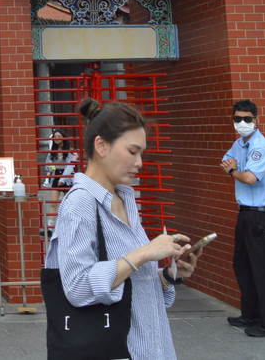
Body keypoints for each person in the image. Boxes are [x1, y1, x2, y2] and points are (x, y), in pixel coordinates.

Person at [48, 99, 198, 359]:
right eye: (132, 151)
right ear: (101, 146)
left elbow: (132, 285)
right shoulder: (80, 203)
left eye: (141, 153)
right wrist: (144, 253)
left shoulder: (124, 198)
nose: (139, 162)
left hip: (152, 347)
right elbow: (77, 287)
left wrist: (168, 276)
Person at [220, 99, 265, 338]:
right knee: (243, 265)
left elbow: (249, 178)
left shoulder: (260, 146)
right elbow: (226, 161)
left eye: (247, 119)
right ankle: (250, 314)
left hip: (261, 216)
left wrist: (234, 171)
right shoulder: (239, 144)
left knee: (262, 270)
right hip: (245, 213)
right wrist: (234, 169)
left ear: (257, 120)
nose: (242, 123)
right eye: (238, 119)